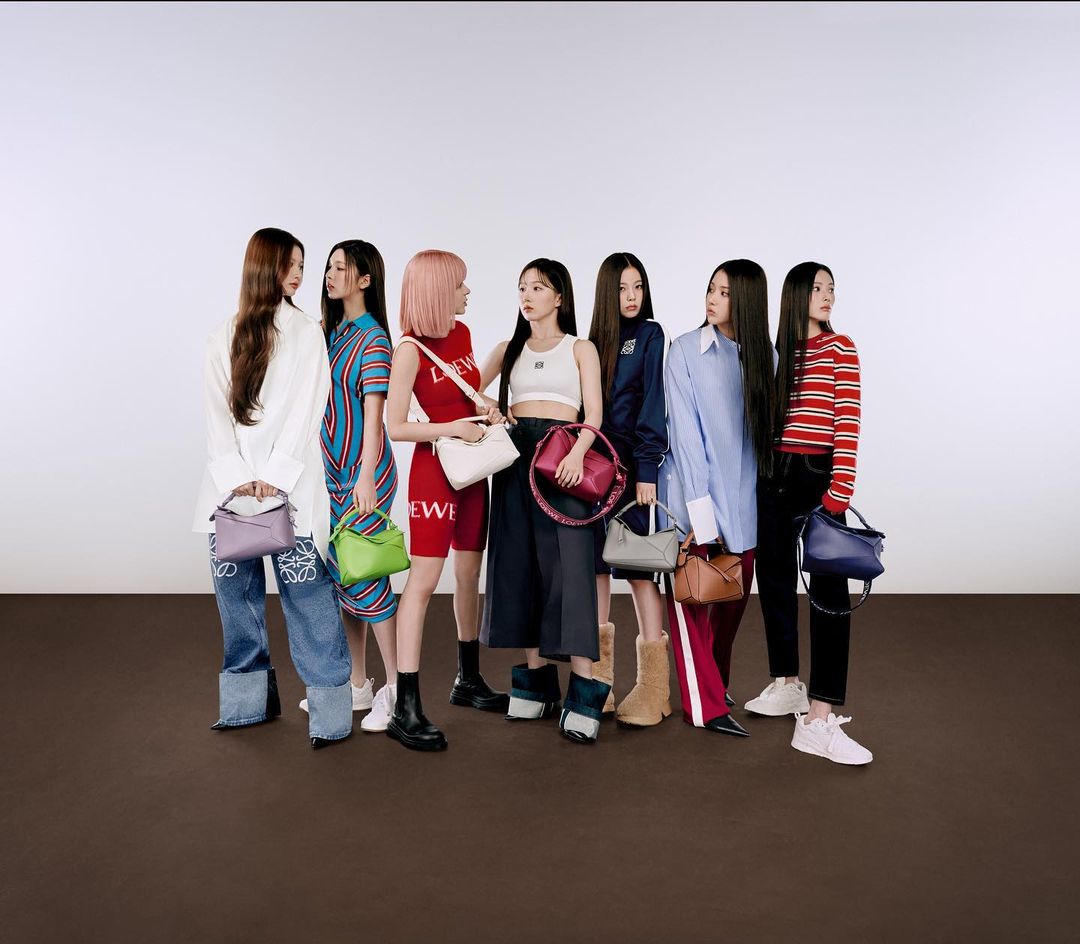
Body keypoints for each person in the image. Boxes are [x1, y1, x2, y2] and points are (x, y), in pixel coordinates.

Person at [192, 227, 353, 750]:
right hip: (231, 493)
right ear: (263, 266)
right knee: (235, 599)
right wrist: (236, 475)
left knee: (307, 598)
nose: (300, 275)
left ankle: (330, 712)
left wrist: (275, 476)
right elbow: (215, 413)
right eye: (290, 264)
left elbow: (309, 409)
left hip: (292, 491)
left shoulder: (307, 332)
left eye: (303, 265)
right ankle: (247, 705)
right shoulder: (223, 335)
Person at [479, 258, 612, 744]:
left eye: (538, 287)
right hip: (516, 460)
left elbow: (594, 413)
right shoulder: (507, 348)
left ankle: (584, 691)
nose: (527, 295)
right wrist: (491, 410)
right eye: (522, 287)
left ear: (559, 297)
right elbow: (467, 390)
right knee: (520, 567)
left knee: (571, 573)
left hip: (564, 460)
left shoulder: (580, 347)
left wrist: (578, 451)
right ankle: (534, 685)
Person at [747, 262, 873, 765]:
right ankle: (788, 684)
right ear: (796, 294)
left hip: (818, 478)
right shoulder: (778, 354)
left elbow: (848, 420)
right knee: (774, 582)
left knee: (829, 596)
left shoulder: (840, 347)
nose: (827, 296)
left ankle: (820, 716)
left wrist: (838, 491)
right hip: (773, 475)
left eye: (831, 288)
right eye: (818, 288)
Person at [384, 249, 509, 752]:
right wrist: (451, 428)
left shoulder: (462, 334)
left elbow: (466, 391)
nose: (467, 291)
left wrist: (485, 406)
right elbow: (396, 426)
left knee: (468, 573)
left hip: (472, 469)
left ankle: (467, 678)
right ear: (437, 292)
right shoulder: (407, 350)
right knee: (422, 581)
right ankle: (406, 706)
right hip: (435, 472)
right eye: (459, 284)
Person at [660, 259, 774, 738]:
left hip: (745, 506)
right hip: (693, 502)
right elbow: (686, 439)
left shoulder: (762, 356)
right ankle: (704, 706)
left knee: (730, 600)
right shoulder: (685, 351)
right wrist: (701, 518)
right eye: (711, 289)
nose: (712, 299)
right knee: (691, 602)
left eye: (724, 293)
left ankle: (716, 684)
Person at [312, 239, 399, 733]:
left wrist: (365, 476)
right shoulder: (333, 333)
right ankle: (357, 685)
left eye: (340, 267)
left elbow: (374, 417)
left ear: (364, 280)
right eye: (328, 266)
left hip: (364, 474)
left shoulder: (374, 340)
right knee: (345, 577)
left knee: (368, 574)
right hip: (332, 474)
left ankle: (397, 689)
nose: (329, 274)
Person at [586, 252, 671, 726]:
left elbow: (653, 402)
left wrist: (647, 470)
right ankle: (599, 682)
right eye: (621, 288)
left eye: (638, 286)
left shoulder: (651, 335)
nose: (632, 296)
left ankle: (654, 687)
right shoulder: (592, 341)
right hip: (592, 469)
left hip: (633, 469)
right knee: (597, 569)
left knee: (639, 567)